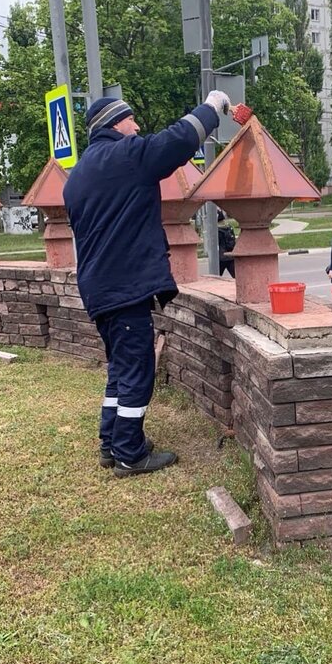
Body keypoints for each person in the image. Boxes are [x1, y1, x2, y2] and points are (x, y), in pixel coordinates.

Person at [64, 91, 230, 478]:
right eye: (131, 120)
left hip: (99, 288)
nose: (137, 127)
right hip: (124, 288)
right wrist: (211, 106)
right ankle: (129, 454)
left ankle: (111, 443)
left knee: (121, 369)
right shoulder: (125, 157)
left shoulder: (79, 175)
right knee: (138, 370)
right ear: (113, 124)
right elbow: (176, 141)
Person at [217, 207, 236, 279]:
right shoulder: (228, 227)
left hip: (220, 258)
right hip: (230, 256)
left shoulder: (216, 230)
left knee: (215, 278)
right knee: (236, 277)